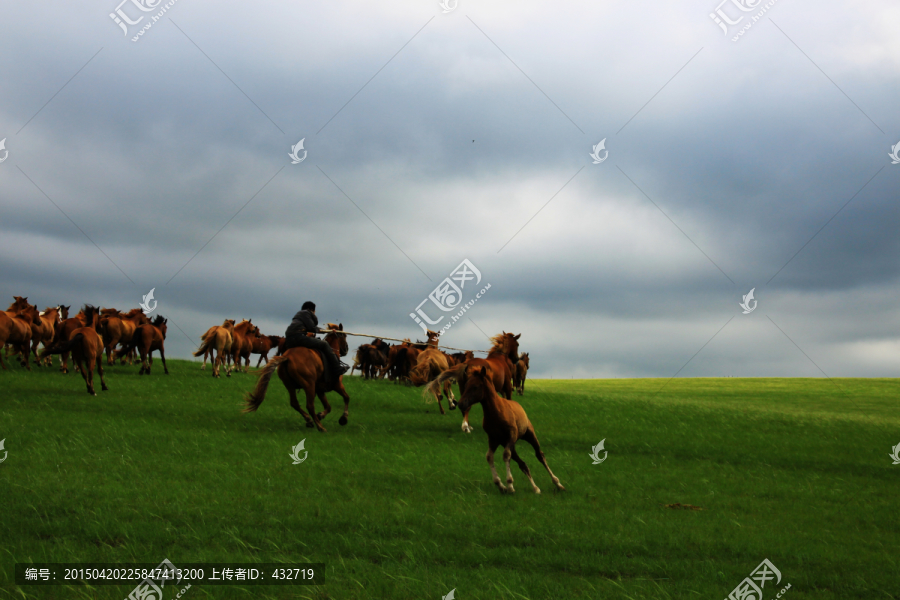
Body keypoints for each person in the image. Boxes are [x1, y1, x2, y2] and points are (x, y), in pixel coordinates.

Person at [282, 301, 348, 384]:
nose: (314, 313)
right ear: (311, 309)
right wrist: (328, 331)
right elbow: (312, 327)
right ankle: (337, 367)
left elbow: (310, 328)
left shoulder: (299, 315)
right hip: (298, 337)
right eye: (314, 311)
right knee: (324, 344)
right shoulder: (306, 313)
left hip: (289, 340)